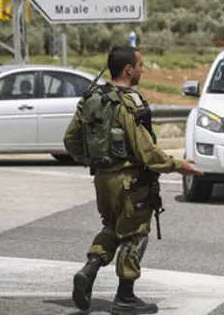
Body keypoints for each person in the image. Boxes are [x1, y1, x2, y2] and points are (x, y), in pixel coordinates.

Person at [63, 45, 203, 315]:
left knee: (112, 227)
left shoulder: (92, 98)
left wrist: (95, 160)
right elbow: (146, 151)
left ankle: (89, 270)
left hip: (103, 180)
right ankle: (125, 297)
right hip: (131, 183)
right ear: (128, 69)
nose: (143, 70)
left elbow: (70, 140)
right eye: (140, 65)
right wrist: (179, 165)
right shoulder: (129, 103)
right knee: (135, 234)